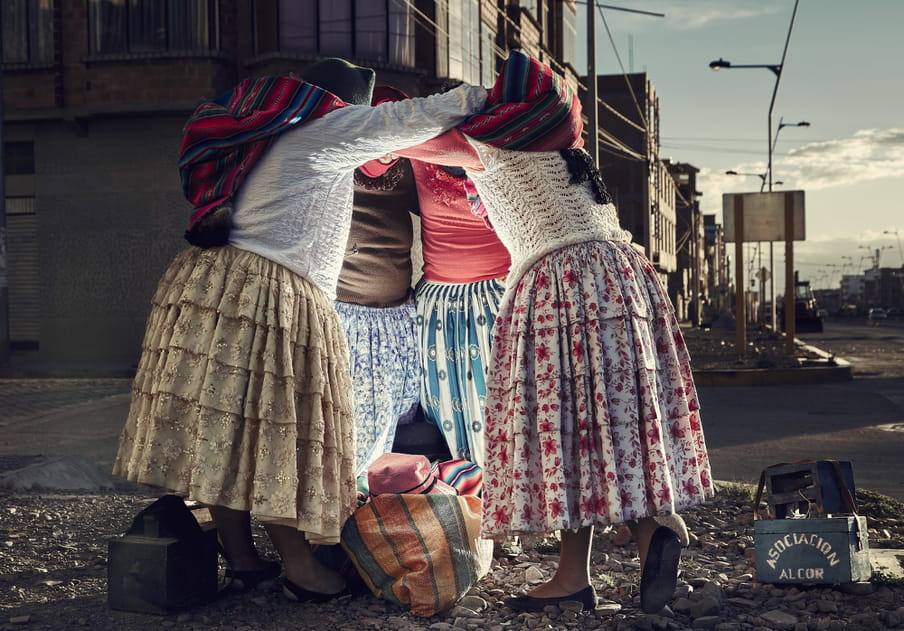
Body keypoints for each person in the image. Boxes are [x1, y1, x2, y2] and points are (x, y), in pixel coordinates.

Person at [112, 58, 486, 603]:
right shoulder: (330, 128)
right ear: (346, 103)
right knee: (276, 435)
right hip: (271, 291)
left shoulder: (270, 133)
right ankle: (300, 569)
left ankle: (244, 561)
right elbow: (424, 115)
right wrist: (497, 99)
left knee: (231, 434)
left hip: (219, 289)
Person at [399, 50, 712, 614]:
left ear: (506, 113)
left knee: (565, 426)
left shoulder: (487, 144)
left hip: (560, 279)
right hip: (624, 276)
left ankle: (575, 576)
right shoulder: (566, 148)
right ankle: (644, 540)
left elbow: (398, 139)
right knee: (611, 418)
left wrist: (455, 104)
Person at [335, 86, 422, 476]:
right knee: (345, 420)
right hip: (345, 308)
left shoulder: (407, 163)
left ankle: (369, 511)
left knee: (389, 416)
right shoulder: (340, 153)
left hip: (394, 312)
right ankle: (340, 512)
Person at [409, 150, 510, 469]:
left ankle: (507, 508)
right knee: (446, 428)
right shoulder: (417, 140)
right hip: (437, 310)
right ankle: (466, 507)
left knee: (504, 418)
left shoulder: (502, 142)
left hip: (496, 300)